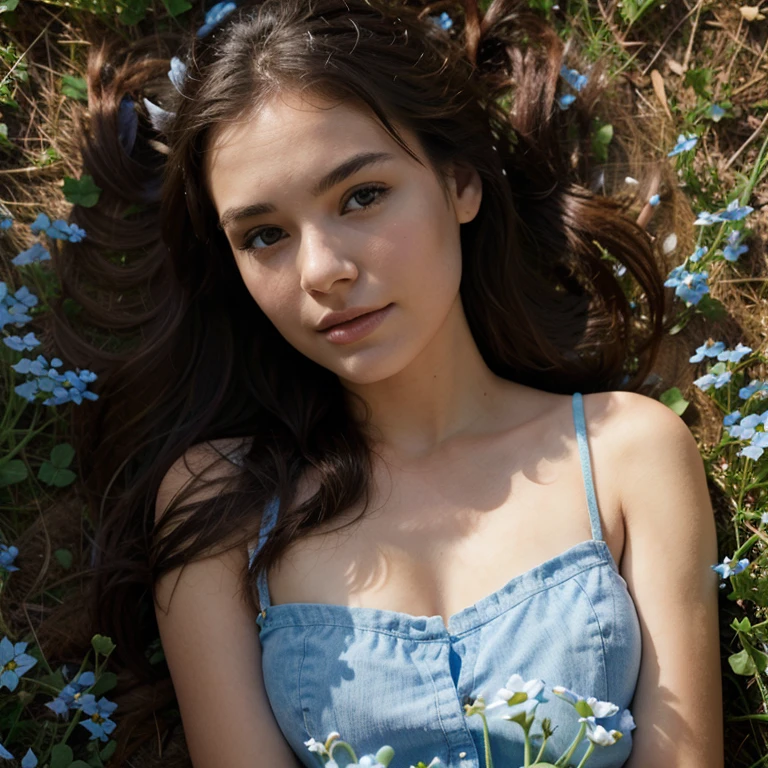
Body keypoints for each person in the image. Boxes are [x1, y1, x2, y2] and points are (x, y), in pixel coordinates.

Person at [59, 0, 723, 766]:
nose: (323, 272)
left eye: (362, 196)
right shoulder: (220, 506)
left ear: (461, 181)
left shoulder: (625, 454)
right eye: (264, 236)